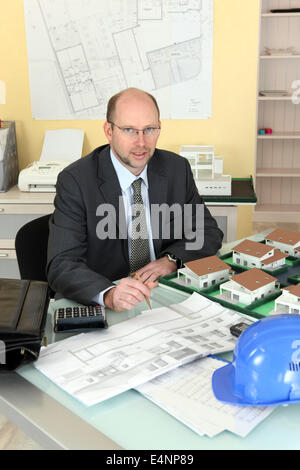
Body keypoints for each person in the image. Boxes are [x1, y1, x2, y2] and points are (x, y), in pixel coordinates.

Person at [47, 88, 223, 311]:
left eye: (149, 129)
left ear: (159, 128)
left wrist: (170, 260)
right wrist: (109, 294)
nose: (141, 142)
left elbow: (206, 232)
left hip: (161, 295)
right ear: (109, 131)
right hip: (106, 304)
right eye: (129, 130)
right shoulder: (76, 181)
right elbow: (62, 264)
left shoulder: (177, 169)